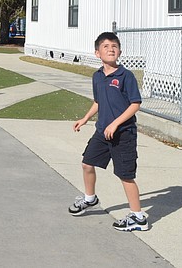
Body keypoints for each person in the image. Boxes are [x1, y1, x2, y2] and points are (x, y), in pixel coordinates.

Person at [69, 31, 147, 231]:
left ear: (120, 51)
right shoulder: (97, 76)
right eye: (106, 46)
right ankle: (90, 198)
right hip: (102, 132)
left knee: (125, 175)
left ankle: (139, 218)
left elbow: (135, 104)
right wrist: (85, 118)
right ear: (97, 53)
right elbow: (98, 101)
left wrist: (115, 124)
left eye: (114, 46)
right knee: (87, 163)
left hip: (123, 134)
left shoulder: (125, 76)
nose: (111, 49)